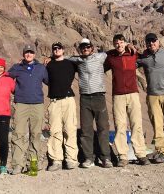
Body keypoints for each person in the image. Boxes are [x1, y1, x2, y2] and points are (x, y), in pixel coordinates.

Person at [105, 34, 149, 167]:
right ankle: (123, 156)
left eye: (121, 42)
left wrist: (131, 46)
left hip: (133, 94)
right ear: (113, 44)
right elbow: (99, 60)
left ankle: (141, 154)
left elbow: (145, 56)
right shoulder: (110, 57)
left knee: (137, 124)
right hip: (118, 95)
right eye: (116, 43)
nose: (119, 45)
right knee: (120, 125)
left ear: (125, 43)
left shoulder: (132, 54)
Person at [69, 38, 113, 169]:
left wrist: (127, 45)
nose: (85, 49)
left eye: (87, 47)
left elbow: (114, 52)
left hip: (99, 96)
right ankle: (89, 158)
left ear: (92, 48)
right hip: (85, 98)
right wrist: (49, 57)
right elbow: (63, 57)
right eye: (83, 47)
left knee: (103, 129)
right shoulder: (78, 60)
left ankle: (106, 158)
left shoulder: (100, 57)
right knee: (86, 129)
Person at [137, 33, 164, 163]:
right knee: (157, 124)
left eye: (153, 41)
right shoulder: (143, 58)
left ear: (158, 42)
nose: (151, 44)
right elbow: (128, 65)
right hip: (153, 95)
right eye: (149, 42)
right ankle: (162, 152)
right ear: (146, 44)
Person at [9, 44, 48, 175]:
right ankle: (17, 165)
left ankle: (33, 165)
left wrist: (52, 62)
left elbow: (50, 81)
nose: (29, 54)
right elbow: (5, 78)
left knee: (36, 135)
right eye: (26, 52)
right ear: (23, 54)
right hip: (21, 104)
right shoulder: (17, 68)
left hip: (37, 104)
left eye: (31, 52)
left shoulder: (41, 68)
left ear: (34, 54)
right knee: (18, 134)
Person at [46, 42, 78, 171]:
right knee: (54, 131)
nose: (56, 50)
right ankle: (56, 160)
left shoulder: (71, 63)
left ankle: (71, 159)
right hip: (54, 102)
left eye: (59, 48)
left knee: (70, 129)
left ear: (63, 50)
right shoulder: (48, 64)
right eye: (54, 49)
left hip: (68, 100)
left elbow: (84, 59)